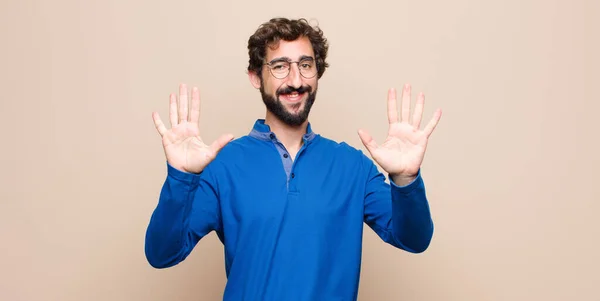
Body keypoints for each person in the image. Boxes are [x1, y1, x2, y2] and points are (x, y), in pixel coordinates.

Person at [145, 17, 442, 301]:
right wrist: (181, 177)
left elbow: (414, 240)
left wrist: (405, 179)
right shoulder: (223, 166)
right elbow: (162, 253)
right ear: (255, 76)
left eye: (305, 65)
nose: (296, 80)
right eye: (280, 67)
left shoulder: (353, 166)